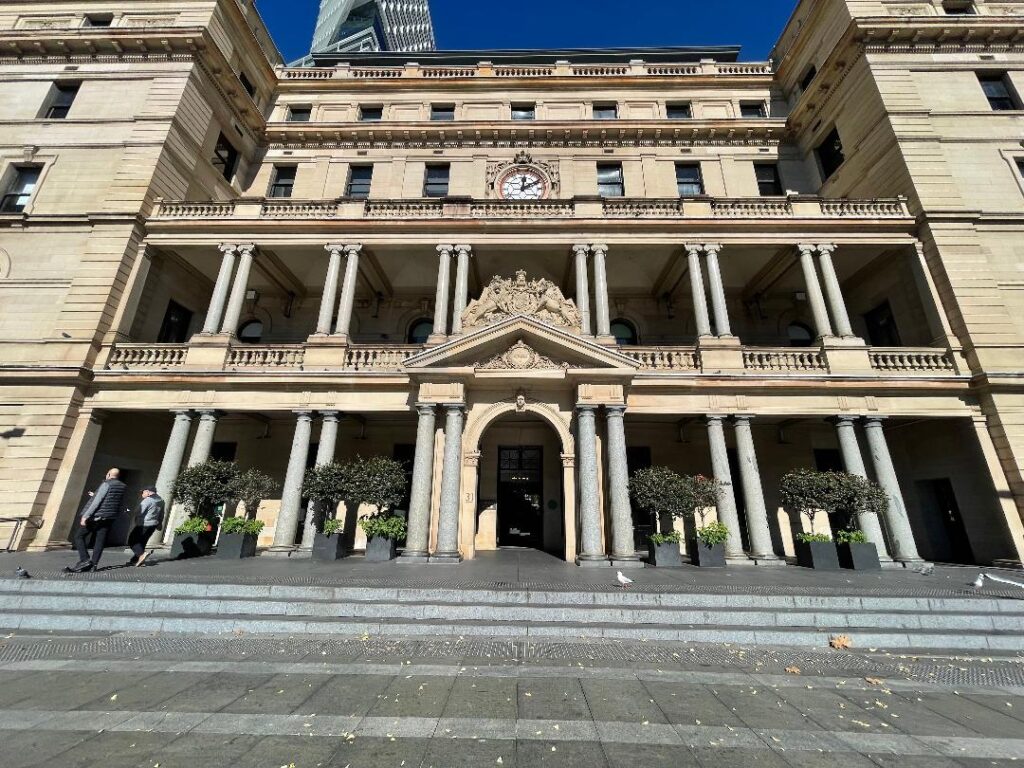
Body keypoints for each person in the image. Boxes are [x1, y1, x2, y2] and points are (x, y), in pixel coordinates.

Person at [66, 468, 127, 573]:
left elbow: (97, 502)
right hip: (109, 517)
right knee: (100, 541)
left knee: (79, 536)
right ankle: (94, 565)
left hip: (97, 516)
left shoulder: (106, 484)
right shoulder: (122, 486)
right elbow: (112, 500)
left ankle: (85, 559)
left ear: (108, 474)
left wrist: (86, 516)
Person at [126, 485, 164, 567]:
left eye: (143, 492)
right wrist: (160, 523)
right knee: (142, 542)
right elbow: (161, 514)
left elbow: (139, 512)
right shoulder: (161, 500)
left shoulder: (148, 500)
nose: (142, 494)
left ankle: (142, 554)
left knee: (132, 541)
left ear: (148, 492)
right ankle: (136, 561)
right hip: (153, 525)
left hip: (143, 524)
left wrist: (129, 512)